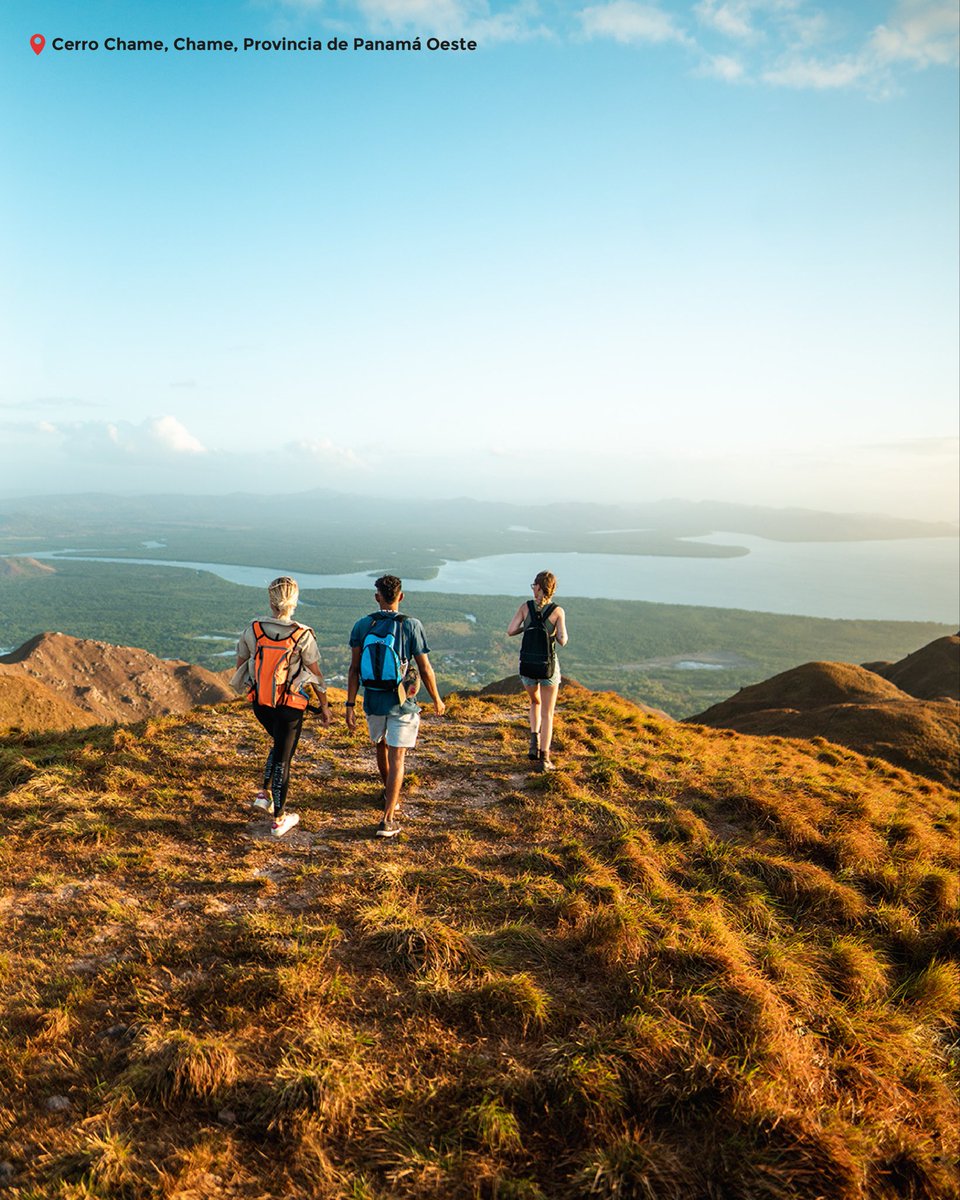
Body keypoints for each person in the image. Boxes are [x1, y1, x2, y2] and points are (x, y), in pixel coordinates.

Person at [346, 574, 445, 837]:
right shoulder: (411, 626)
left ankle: (388, 794)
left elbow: (354, 669)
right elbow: (424, 668)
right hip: (402, 703)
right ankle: (388, 818)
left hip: (373, 699)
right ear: (401, 596)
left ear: (377, 597)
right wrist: (436, 698)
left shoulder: (362, 625)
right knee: (397, 757)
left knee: (381, 745)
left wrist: (349, 705)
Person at [235, 576, 331, 836]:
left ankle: (263, 795)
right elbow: (316, 677)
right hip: (290, 707)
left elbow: (242, 664)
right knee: (283, 760)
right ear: (295, 601)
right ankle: (279, 819)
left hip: (262, 704)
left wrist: (257, 689)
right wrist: (324, 706)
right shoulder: (303, 635)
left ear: (271, 600)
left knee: (279, 745)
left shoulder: (253, 629)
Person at [507, 570, 568, 771]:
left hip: (527, 665)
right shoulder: (558, 611)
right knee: (548, 713)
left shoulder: (526, 607)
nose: (533, 588)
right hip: (548, 667)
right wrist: (554, 633)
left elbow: (510, 630)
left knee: (534, 702)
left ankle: (533, 743)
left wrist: (528, 627)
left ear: (539, 588)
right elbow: (563, 640)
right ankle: (544, 759)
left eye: (534, 585)